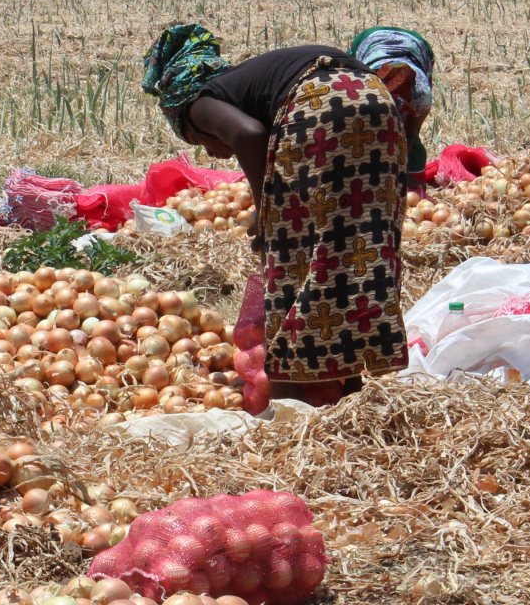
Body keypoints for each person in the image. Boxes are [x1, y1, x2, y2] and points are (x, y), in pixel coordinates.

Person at [142, 24, 408, 405]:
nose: (211, 151)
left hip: (320, 107)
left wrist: (265, 211)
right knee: (359, 244)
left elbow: (248, 135)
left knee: (295, 255)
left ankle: (290, 399)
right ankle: (353, 389)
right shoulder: (247, 84)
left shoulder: (195, 100)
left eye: (199, 138)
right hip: (376, 100)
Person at [349, 26, 435, 180]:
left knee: (404, 138)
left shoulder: (421, 97)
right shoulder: (363, 93)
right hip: (369, 39)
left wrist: (399, 168)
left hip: (416, 44)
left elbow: (412, 134)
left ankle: (411, 173)